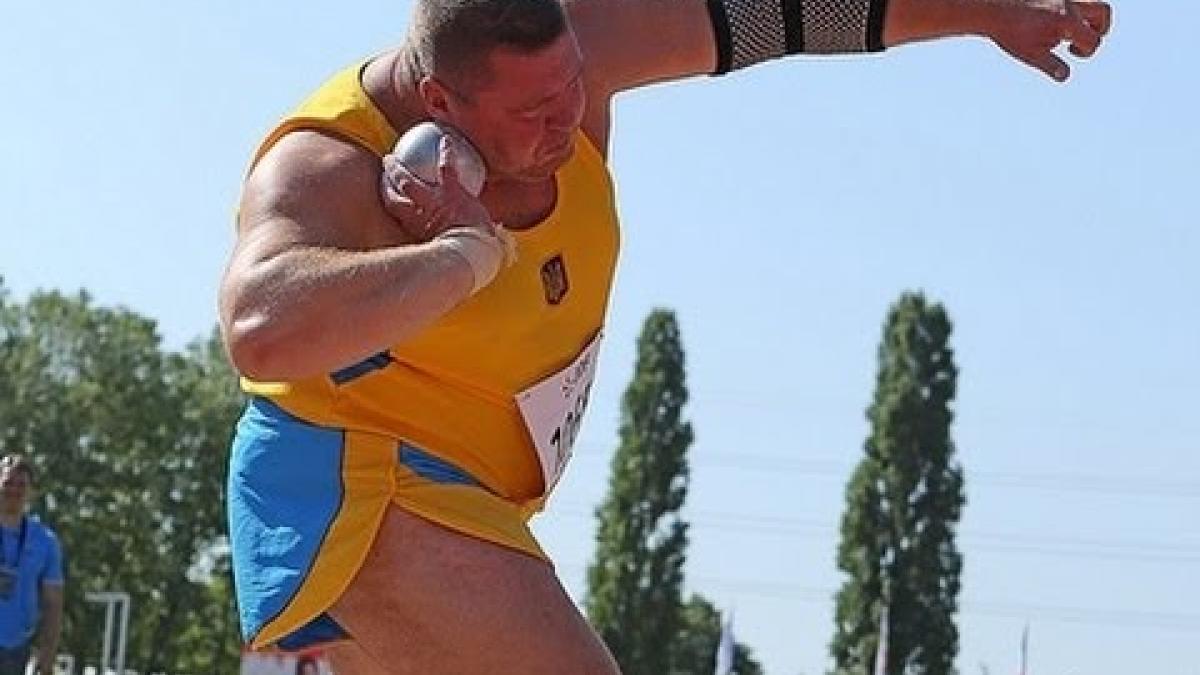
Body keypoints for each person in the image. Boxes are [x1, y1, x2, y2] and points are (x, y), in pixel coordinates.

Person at [218, 0, 1111, 671]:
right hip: (357, 482)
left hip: (477, 497)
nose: (566, 118)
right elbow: (260, 327)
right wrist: (459, 256)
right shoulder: (333, 161)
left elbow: (776, 15)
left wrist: (987, 11)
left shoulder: (581, 52)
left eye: (570, 83)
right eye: (530, 111)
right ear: (439, 100)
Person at [0, 455, 64, 675]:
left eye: (21, 485)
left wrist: (47, 655)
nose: (14, 491)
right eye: (8, 483)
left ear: (31, 492)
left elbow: (53, 603)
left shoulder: (44, 541)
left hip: (16, 648)